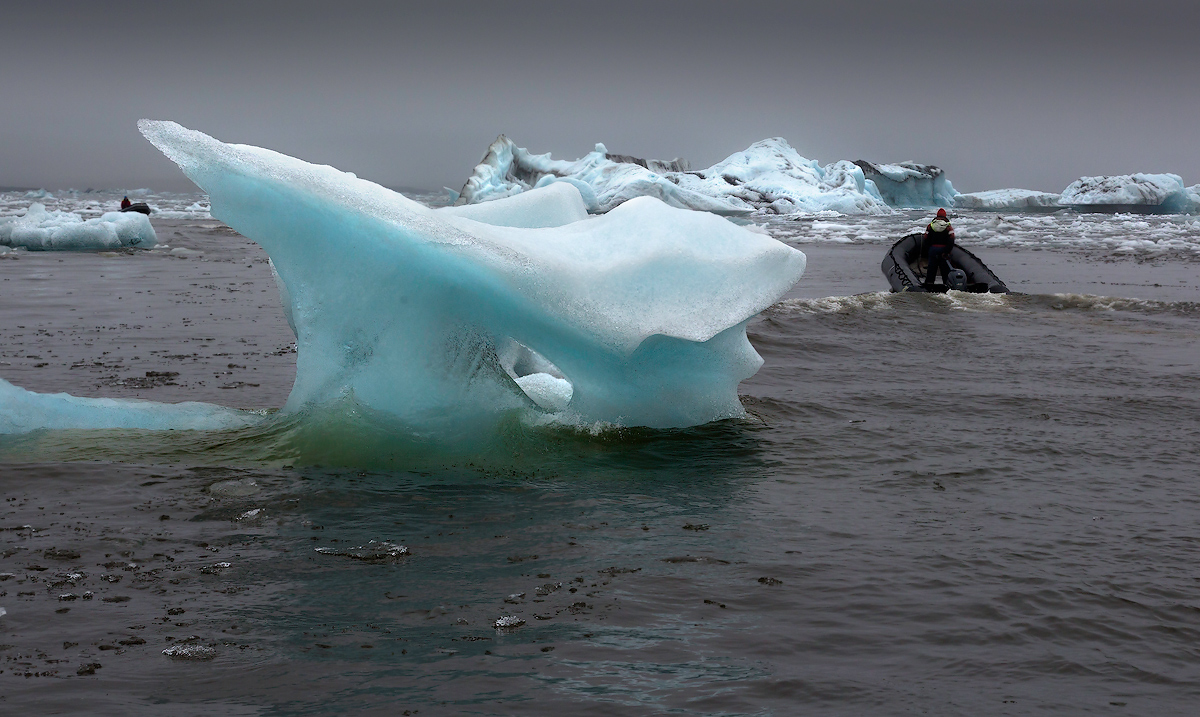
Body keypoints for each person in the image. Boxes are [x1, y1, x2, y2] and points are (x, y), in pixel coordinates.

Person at [921, 208, 955, 289]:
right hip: (943, 249)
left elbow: (926, 238)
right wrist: (947, 251)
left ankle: (929, 285)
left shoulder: (931, 225)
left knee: (932, 268)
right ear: (945, 215)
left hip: (933, 249)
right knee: (945, 269)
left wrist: (928, 249)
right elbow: (951, 239)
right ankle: (946, 286)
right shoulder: (948, 226)